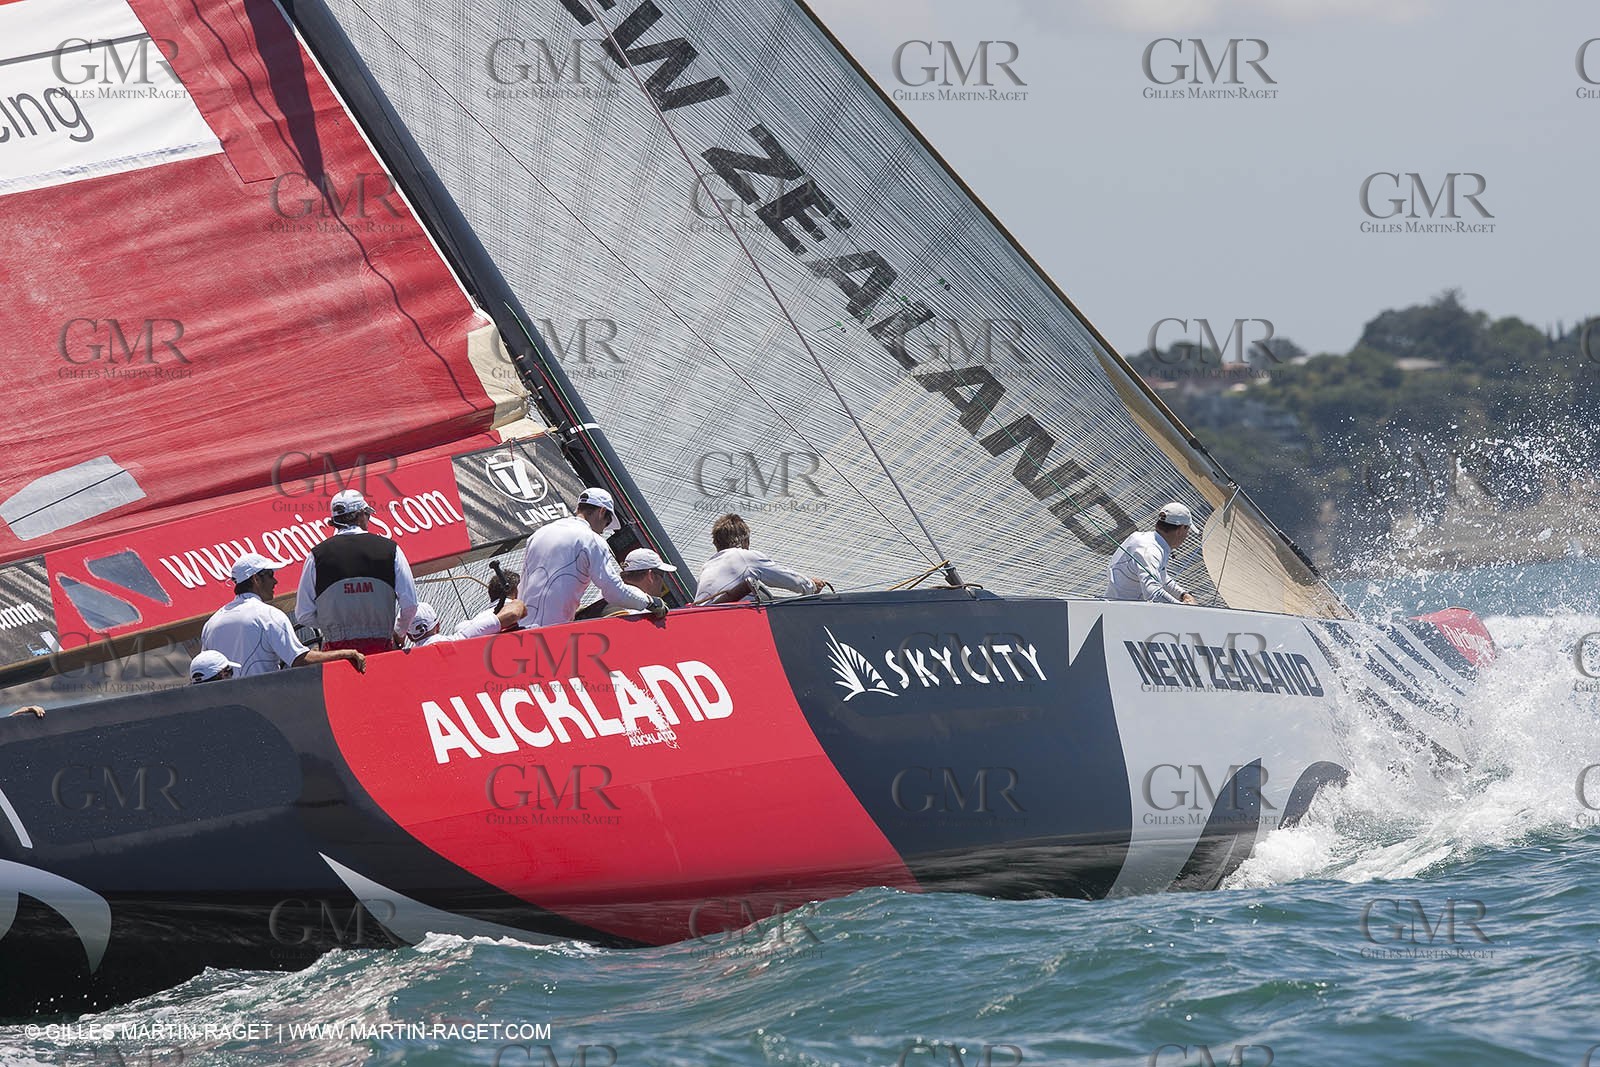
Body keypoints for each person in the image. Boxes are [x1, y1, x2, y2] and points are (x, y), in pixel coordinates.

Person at [518, 487, 667, 628]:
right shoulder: (592, 540)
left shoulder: (538, 534)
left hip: (521, 628)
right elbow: (614, 591)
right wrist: (650, 601)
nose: (603, 530)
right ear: (602, 512)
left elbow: (524, 586)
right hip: (550, 633)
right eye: (607, 523)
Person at [205, 552, 367, 677]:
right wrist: (347, 653)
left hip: (225, 710)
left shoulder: (211, 623)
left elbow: (206, 671)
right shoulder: (268, 614)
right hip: (262, 705)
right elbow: (300, 660)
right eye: (271, 575)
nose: (275, 582)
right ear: (255, 579)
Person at [295, 489, 417, 653]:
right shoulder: (391, 549)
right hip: (381, 648)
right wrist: (399, 632)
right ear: (360, 516)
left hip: (337, 653)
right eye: (368, 515)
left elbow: (303, 613)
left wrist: (333, 627)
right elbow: (410, 605)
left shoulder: (316, 556)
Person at [695, 513, 824, 603]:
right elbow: (787, 578)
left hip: (700, 618)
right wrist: (811, 586)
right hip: (730, 618)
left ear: (717, 544)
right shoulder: (744, 557)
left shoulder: (707, 567)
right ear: (745, 541)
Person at [1106, 502, 1199, 605]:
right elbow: (1153, 593)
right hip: (1121, 614)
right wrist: (1184, 608)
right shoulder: (1150, 551)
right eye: (1188, 530)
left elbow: (1161, 576)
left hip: (1116, 609)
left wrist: (1183, 594)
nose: (1187, 535)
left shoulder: (1146, 540)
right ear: (1181, 529)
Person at [575, 548, 678, 620]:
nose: (663, 583)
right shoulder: (642, 612)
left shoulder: (604, 596)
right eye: (662, 576)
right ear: (651, 576)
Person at [405, 593, 528, 648]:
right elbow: (514, 613)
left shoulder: (403, 662)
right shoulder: (464, 636)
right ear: (438, 625)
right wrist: (515, 598)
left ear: (409, 636)